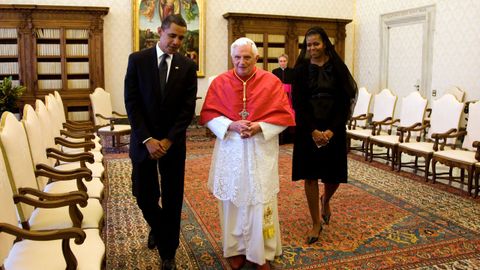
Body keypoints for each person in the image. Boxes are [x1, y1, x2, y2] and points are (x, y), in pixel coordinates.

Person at [200, 37, 295, 270]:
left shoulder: (271, 82)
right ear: (232, 58)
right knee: (233, 198)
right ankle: (235, 248)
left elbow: (284, 116)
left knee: (260, 199)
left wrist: (259, 126)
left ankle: (260, 251)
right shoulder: (220, 82)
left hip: (260, 148)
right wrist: (230, 125)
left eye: (247, 57)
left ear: (257, 58)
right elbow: (209, 115)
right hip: (231, 147)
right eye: (237, 57)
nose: (242, 62)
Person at [124, 14, 197, 270]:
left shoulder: (187, 66)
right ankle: (158, 226)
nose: (176, 42)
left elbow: (187, 110)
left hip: (173, 145)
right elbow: (132, 103)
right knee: (144, 195)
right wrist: (147, 139)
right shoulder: (138, 60)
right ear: (159, 31)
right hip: (143, 143)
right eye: (172, 35)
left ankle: (169, 252)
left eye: (181, 37)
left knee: (173, 197)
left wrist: (167, 140)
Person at [291, 27, 358, 245]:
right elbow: (298, 104)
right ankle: (315, 223)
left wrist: (331, 130)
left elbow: (345, 101)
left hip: (334, 126)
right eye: (308, 45)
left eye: (316, 44)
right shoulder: (300, 70)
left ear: (325, 44)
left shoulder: (338, 67)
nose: (312, 48)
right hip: (308, 128)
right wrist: (313, 131)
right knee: (310, 175)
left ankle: (326, 199)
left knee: (334, 176)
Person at [272, 53, 295, 144]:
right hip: (279, 97)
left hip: (289, 97)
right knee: (279, 116)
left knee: (289, 115)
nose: (282, 63)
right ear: (278, 62)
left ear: (287, 61)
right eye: (281, 61)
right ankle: (280, 139)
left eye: (284, 61)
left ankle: (288, 138)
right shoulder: (275, 71)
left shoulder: (292, 71)